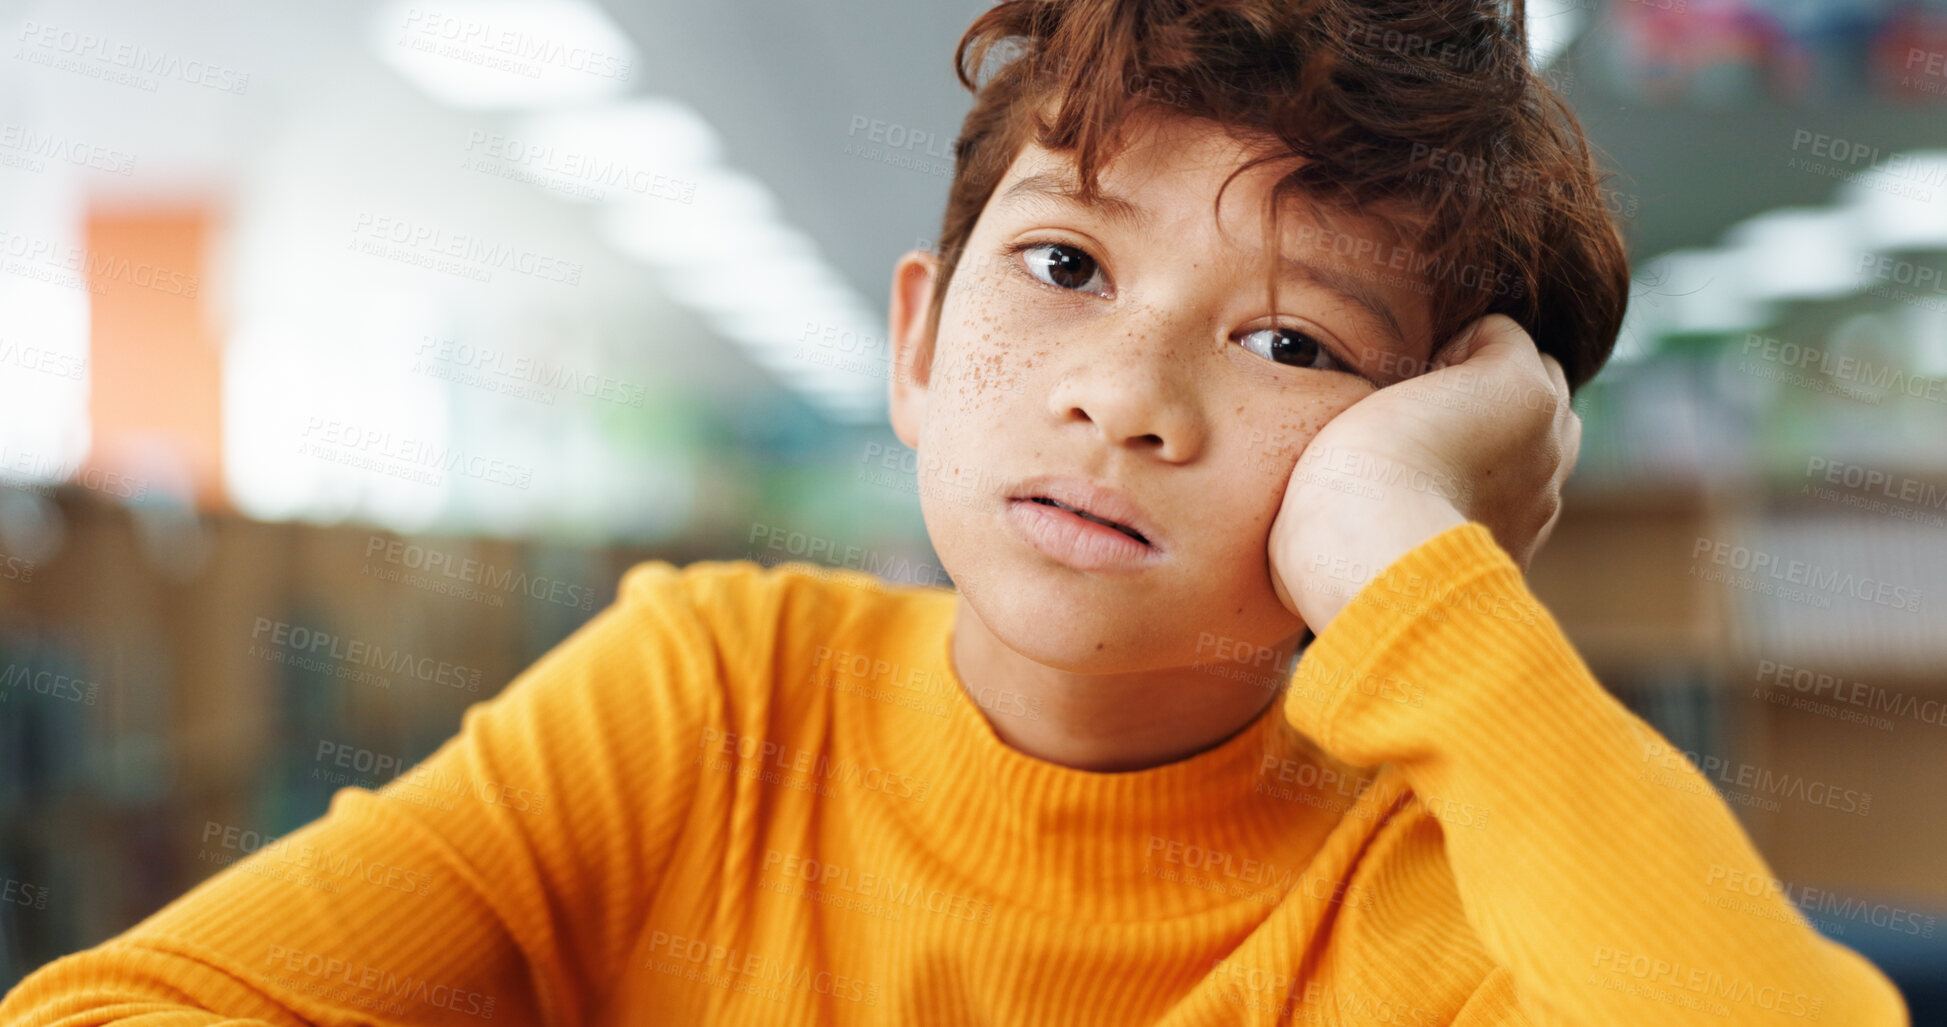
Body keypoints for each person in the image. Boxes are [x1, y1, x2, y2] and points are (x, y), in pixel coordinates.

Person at [1, 0, 1911, 1023]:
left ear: (1431, 468)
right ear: (921, 344)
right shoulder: (714, 694)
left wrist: (1424, 577)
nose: (1123, 398)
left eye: (1293, 347)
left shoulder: (1427, 899)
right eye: (1067, 267)